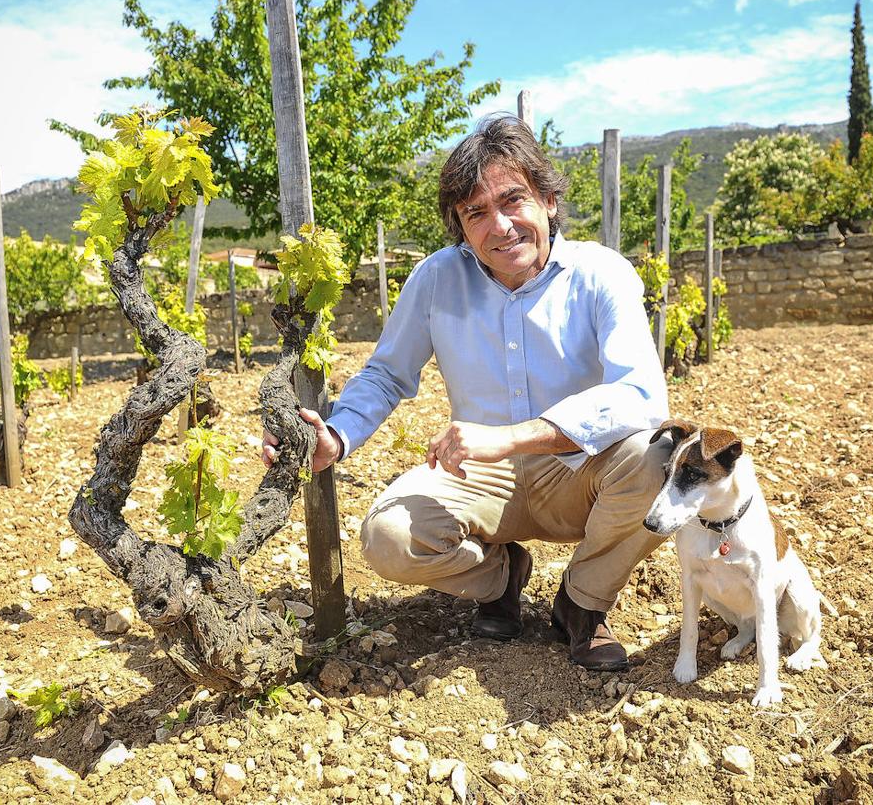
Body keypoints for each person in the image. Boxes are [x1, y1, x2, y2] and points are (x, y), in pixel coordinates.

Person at [263, 114, 672, 670]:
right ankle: (501, 581)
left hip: (580, 468)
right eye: (476, 213)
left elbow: (640, 394)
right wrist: (335, 435)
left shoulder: (602, 274)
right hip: (479, 477)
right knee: (389, 537)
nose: (500, 226)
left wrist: (509, 437)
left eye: (514, 201)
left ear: (549, 200)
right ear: (459, 226)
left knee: (658, 460)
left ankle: (582, 603)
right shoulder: (436, 279)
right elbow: (386, 374)